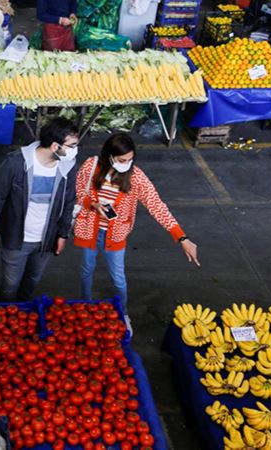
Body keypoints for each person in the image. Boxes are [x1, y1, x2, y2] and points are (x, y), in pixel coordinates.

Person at [73, 133, 200, 329]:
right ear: (109, 156)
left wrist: (181, 237)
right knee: (86, 270)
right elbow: (79, 193)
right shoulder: (90, 166)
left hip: (114, 235)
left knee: (118, 278)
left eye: (130, 160)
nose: (127, 164)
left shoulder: (136, 177)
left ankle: (123, 313)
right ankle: (84, 306)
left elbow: (156, 205)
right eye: (122, 160)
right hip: (90, 231)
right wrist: (93, 204)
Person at [0, 118, 79, 302]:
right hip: (17, 238)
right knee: (10, 285)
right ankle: (7, 315)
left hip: (46, 240)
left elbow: (68, 202)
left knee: (32, 280)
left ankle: (25, 312)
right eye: (72, 145)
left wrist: (63, 234)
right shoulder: (17, 163)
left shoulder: (68, 167)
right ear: (54, 146)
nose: (75, 150)